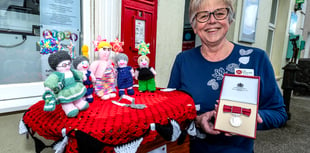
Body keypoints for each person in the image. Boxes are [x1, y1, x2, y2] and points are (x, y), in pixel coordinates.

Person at [167, 0, 288, 152]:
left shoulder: (256, 59)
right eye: (203, 16)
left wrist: (251, 119)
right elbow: (170, 113)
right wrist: (197, 121)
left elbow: (279, 113)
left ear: (229, 19)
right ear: (194, 26)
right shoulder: (183, 60)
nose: (212, 20)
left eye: (219, 13)